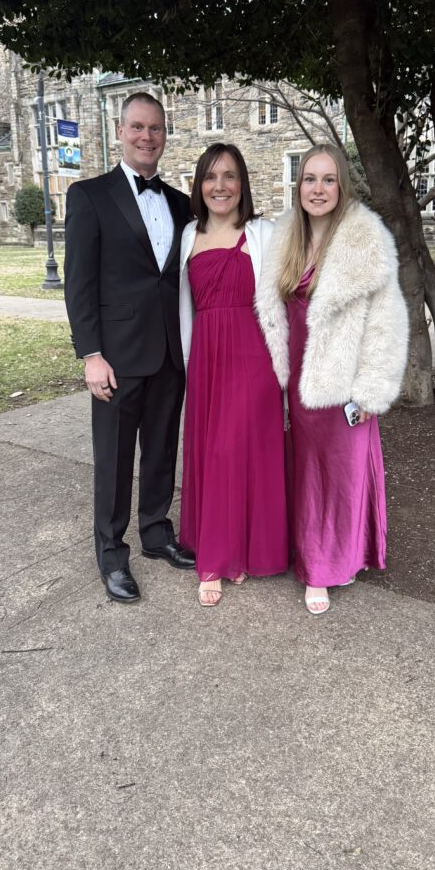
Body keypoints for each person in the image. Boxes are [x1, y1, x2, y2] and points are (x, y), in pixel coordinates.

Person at [256, 144, 408, 615]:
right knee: (304, 474)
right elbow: (272, 314)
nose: (317, 189)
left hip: (342, 386)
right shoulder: (285, 239)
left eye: (328, 180)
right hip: (297, 382)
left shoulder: (366, 240)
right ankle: (305, 550)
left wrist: (369, 392)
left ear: (342, 186)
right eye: (309, 179)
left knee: (338, 477)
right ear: (298, 186)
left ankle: (324, 568)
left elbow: (387, 323)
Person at [64, 92, 195, 604]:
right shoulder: (89, 196)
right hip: (115, 358)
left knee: (161, 450)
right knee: (115, 460)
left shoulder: (182, 204)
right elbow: (79, 283)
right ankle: (111, 555)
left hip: (169, 354)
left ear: (165, 135)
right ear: (120, 131)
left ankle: (157, 534)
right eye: (137, 127)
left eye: (155, 128)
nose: (147, 137)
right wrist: (91, 355)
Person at [179, 143, 288, 606]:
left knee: (241, 450)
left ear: (242, 183)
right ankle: (222, 552)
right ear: (199, 185)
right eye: (210, 176)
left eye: (229, 176)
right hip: (206, 358)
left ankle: (232, 552)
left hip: (253, 356)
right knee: (216, 451)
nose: (219, 186)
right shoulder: (187, 236)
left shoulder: (265, 233)